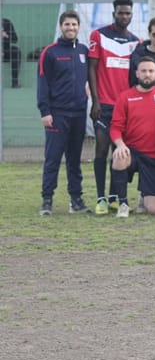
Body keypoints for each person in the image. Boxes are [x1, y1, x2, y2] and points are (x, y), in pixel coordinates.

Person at [88, 0, 140, 215]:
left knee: (119, 152)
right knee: (101, 148)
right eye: (120, 12)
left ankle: (114, 196)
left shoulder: (135, 42)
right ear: (114, 13)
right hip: (103, 105)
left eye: (127, 13)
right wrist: (95, 101)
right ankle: (100, 198)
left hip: (124, 107)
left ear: (131, 15)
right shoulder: (98, 35)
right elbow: (91, 68)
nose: (124, 16)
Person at [37, 11, 90, 216]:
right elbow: (42, 83)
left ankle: (76, 200)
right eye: (67, 24)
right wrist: (45, 111)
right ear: (61, 26)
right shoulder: (50, 52)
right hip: (57, 114)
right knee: (52, 159)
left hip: (79, 114)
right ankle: (47, 200)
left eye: (74, 24)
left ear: (78, 27)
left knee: (74, 160)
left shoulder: (84, 51)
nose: (71, 28)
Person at [109, 57, 155, 217]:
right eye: (144, 71)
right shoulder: (125, 97)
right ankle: (123, 204)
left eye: (151, 71)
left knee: (154, 210)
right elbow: (115, 127)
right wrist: (120, 145)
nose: (147, 74)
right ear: (137, 73)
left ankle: (144, 196)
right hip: (133, 153)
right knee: (119, 156)